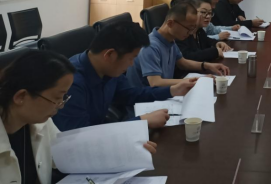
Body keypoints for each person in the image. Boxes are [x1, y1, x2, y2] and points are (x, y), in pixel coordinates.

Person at [0, 51, 157, 184]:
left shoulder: (41, 123)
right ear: (21, 97)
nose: (60, 106)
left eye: (63, 98)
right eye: (56, 98)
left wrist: (127, 148)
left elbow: (72, 153)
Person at [53, 22, 198, 132]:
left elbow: (130, 94)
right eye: (131, 58)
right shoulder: (71, 84)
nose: (131, 64)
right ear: (110, 55)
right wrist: (142, 121)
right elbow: (80, 135)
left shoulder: (109, 69)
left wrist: (172, 90)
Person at [127, 3, 230, 89]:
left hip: (162, 94)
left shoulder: (170, 40)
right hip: (145, 101)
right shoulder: (150, 46)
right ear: (170, 23)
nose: (190, 33)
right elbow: (155, 82)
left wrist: (207, 65)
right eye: (188, 28)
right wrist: (197, 80)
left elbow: (182, 63)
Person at [176, 0, 233, 64]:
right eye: (203, 12)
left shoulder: (199, 30)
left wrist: (217, 43)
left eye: (210, 13)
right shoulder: (181, 32)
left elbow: (206, 40)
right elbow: (186, 56)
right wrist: (214, 52)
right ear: (191, 12)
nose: (208, 16)